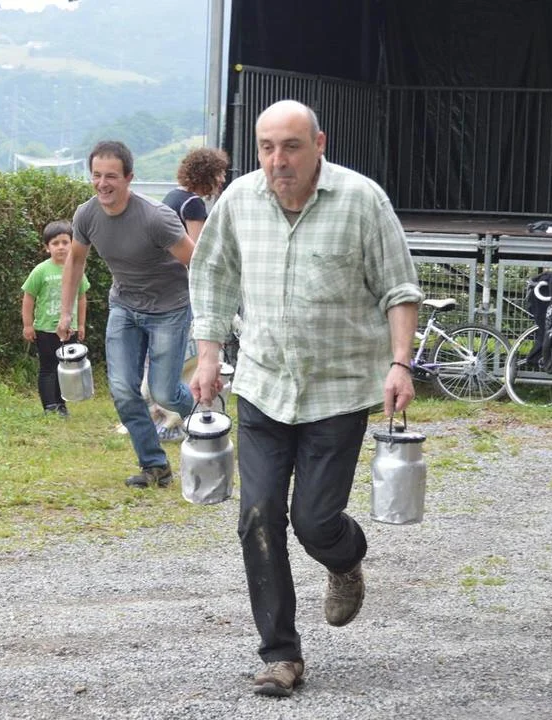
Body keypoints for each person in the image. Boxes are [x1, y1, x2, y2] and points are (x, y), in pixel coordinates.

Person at [187, 100, 424, 697]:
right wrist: (209, 355)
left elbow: (399, 288)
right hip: (263, 386)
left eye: (291, 146)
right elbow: (212, 275)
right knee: (258, 515)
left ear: (319, 144)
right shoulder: (239, 201)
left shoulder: (362, 200)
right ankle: (280, 655)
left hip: (337, 389)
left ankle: (344, 559)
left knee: (315, 521)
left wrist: (399, 363)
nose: (278, 160)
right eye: (267, 147)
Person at [57, 140, 196, 489]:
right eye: (96, 175)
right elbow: (75, 260)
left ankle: (203, 412)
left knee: (164, 393)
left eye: (111, 176)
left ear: (129, 178)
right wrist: (65, 312)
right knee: (122, 389)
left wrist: (212, 314)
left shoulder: (155, 217)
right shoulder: (86, 215)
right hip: (125, 306)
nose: (102, 183)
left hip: (169, 308)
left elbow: (196, 262)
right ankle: (155, 465)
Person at [137, 147, 230, 441]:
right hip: (182, 290)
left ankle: (155, 414)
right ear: (206, 174)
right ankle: (179, 420)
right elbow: (198, 253)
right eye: (219, 173)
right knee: (186, 361)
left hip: (158, 287)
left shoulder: (171, 198)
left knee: (159, 356)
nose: (222, 179)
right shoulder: (193, 205)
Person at [21, 220, 89, 418]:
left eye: (65, 242)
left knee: (65, 368)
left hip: (69, 330)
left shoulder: (76, 269)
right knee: (48, 368)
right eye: (55, 243)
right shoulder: (41, 270)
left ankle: (61, 405)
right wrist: (27, 325)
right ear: (47, 247)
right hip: (45, 330)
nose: (60, 247)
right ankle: (49, 405)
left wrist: (81, 324)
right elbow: (28, 298)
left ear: (73, 244)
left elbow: (82, 298)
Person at [161, 147, 230, 242]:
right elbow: (198, 246)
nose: (223, 180)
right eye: (219, 174)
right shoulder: (193, 203)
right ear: (206, 176)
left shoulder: (173, 195)